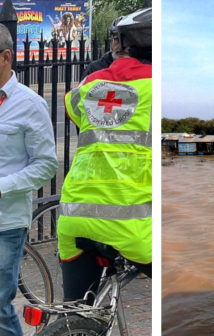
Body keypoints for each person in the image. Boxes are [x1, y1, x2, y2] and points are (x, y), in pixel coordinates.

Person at [58, 7, 152, 302]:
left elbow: (73, 111)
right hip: (132, 227)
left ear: (122, 45)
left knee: (76, 311)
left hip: (73, 219)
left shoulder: (88, 86)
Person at [0, 24, 58, 336]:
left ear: (5, 57)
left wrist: (2, 187)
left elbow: (46, 165)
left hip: (5, 222)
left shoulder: (30, 105)